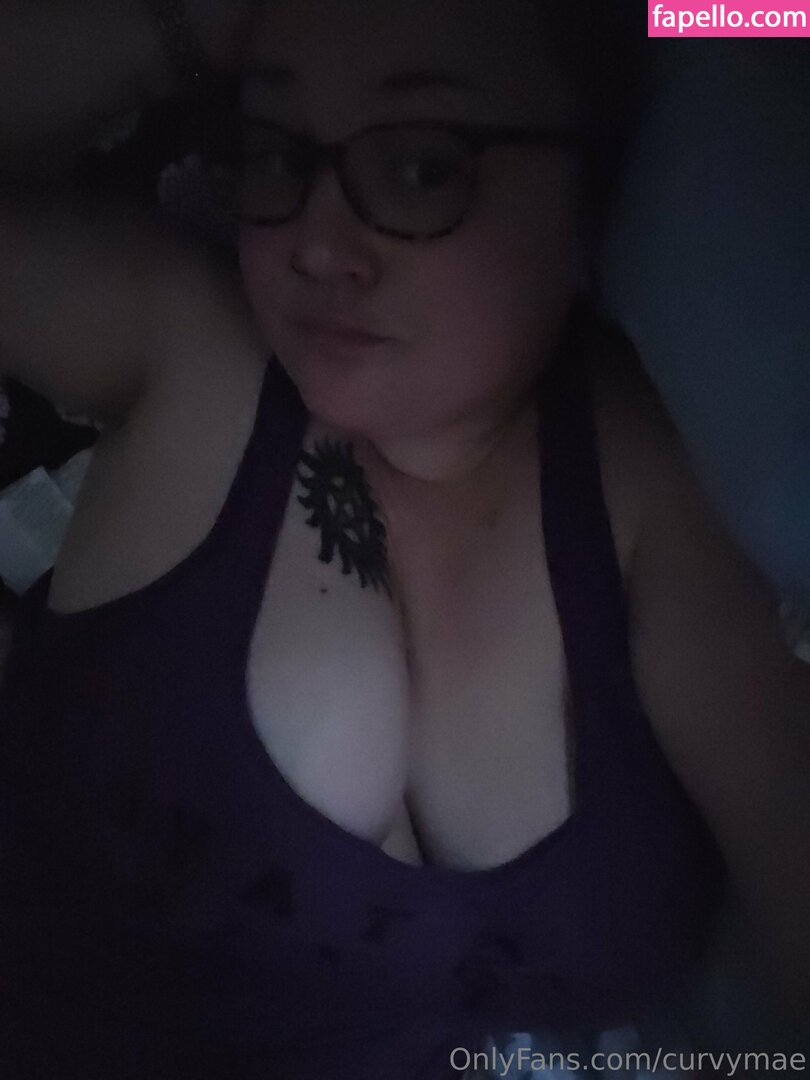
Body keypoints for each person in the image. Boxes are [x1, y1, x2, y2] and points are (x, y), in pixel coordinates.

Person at [0, 2, 808, 1078]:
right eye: (276, 153)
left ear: (591, 195)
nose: (319, 246)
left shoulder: (660, 484)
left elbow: (762, 20)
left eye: (423, 167)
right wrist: (191, 21)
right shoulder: (193, 343)